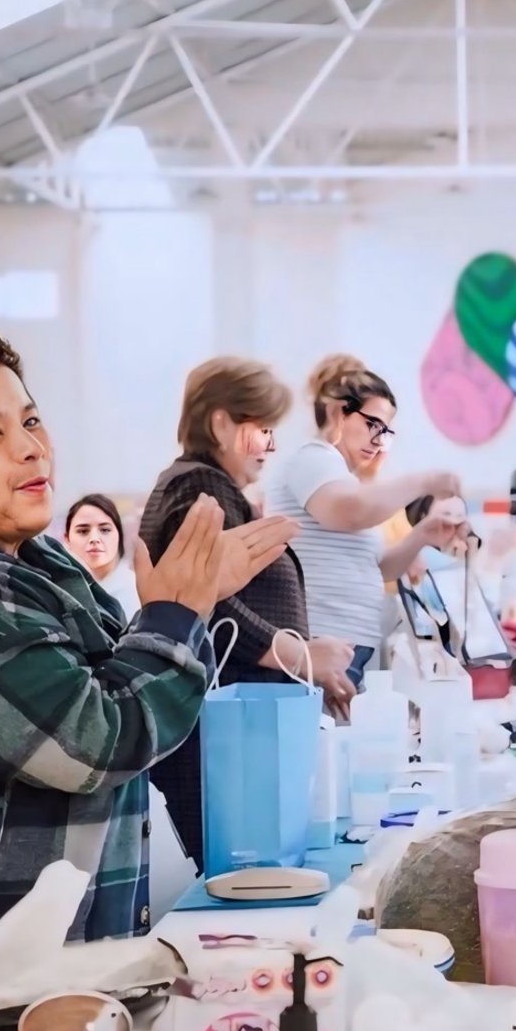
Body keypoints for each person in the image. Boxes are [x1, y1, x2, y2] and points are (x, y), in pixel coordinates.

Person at [0, 328, 295, 972]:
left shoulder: (22, 554)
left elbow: (116, 674)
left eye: (31, 420)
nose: (30, 448)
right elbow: (97, 740)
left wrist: (188, 608)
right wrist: (179, 613)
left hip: (26, 959)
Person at [138, 356, 351, 865]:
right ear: (220, 423)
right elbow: (204, 599)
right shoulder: (199, 489)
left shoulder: (209, 487)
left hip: (233, 730)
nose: (271, 448)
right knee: (245, 876)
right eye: (262, 431)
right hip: (222, 738)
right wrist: (296, 655)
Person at [265, 355, 466, 690]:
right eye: (373, 425)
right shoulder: (312, 460)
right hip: (314, 645)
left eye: (386, 432)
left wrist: (421, 535)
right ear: (338, 412)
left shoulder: (346, 481)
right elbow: (350, 510)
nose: (379, 440)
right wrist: (427, 480)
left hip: (349, 650)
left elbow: (380, 568)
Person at [63, 494, 140, 617]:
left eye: (105, 530)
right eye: (83, 531)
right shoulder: (60, 592)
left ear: (119, 535)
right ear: (67, 539)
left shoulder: (137, 591)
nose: (94, 539)